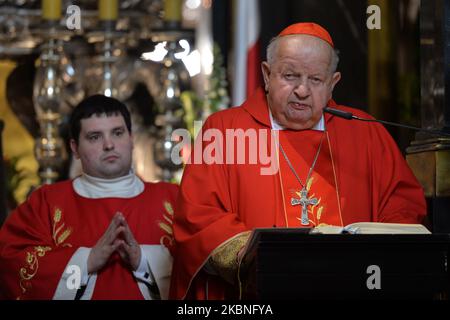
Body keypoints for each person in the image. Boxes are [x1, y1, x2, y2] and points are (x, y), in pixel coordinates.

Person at [169, 22, 427, 299]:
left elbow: (403, 208)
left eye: (315, 80)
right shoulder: (225, 131)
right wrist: (261, 256)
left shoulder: (366, 133)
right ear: (267, 75)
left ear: (332, 83)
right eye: (290, 76)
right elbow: (199, 215)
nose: (302, 90)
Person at [0, 95, 178, 300]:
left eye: (118, 133)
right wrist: (86, 261)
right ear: (74, 148)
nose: (109, 145)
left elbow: (199, 262)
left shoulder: (173, 200)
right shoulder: (46, 203)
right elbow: (11, 260)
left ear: (131, 139)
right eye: (95, 137)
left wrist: (144, 261)